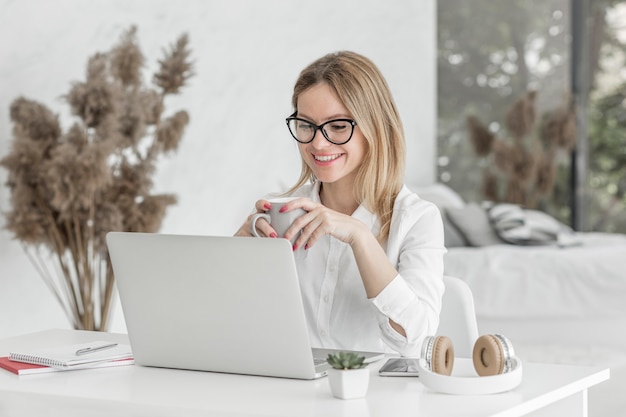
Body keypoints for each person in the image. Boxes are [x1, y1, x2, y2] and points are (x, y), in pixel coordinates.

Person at [235, 51, 445, 357]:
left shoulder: (416, 219)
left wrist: (360, 236)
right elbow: (234, 321)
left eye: (337, 126)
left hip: (374, 396)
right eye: (306, 125)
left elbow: (415, 341)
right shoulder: (284, 214)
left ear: (375, 127)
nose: (317, 144)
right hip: (288, 390)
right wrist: (238, 249)